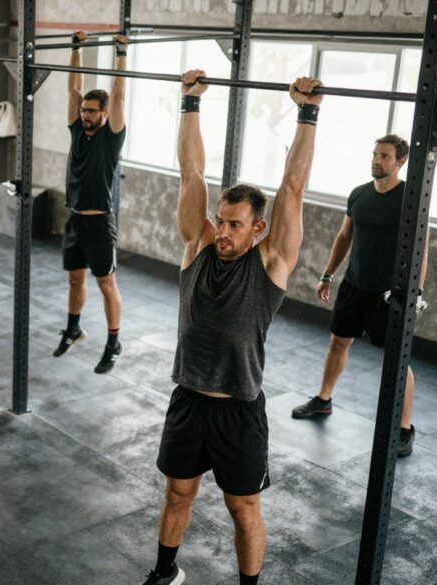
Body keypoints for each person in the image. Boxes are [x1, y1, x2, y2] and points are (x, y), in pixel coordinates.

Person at [142, 72, 322, 585]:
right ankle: (165, 572)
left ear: (258, 228)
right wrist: (190, 102)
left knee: (243, 507)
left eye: (234, 224)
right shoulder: (197, 245)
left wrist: (307, 114)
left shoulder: (272, 264)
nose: (221, 230)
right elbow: (189, 171)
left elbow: (293, 187)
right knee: (178, 493)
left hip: (239, 409)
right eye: (220, 220)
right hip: (189, 400)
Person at [291, 134, 427, 457]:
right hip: (353, 286)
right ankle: (323, 400)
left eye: (384, 156)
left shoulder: (410, 198)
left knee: (398, 359)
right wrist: (327, 273)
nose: (377, 161)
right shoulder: (359, 195)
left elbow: (421, 250)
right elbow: (344, 235)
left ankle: (405, 428)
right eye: (375, 154)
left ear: (400, 162)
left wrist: (414, 294)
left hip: (388, 294)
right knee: (338, 342)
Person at [53, 32, 128, 374]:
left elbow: (119, 93)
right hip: (75, 220)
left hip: (100, 223)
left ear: (105, 113)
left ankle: (114, 342)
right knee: (74, 279)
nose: (85, 114)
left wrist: (120, 53)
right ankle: (74, 328)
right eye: (83, 110)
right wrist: (77, 48)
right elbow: (73, 88)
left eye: (92, 111)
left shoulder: (111, 137)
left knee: (106, 284)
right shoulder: (76, 131)